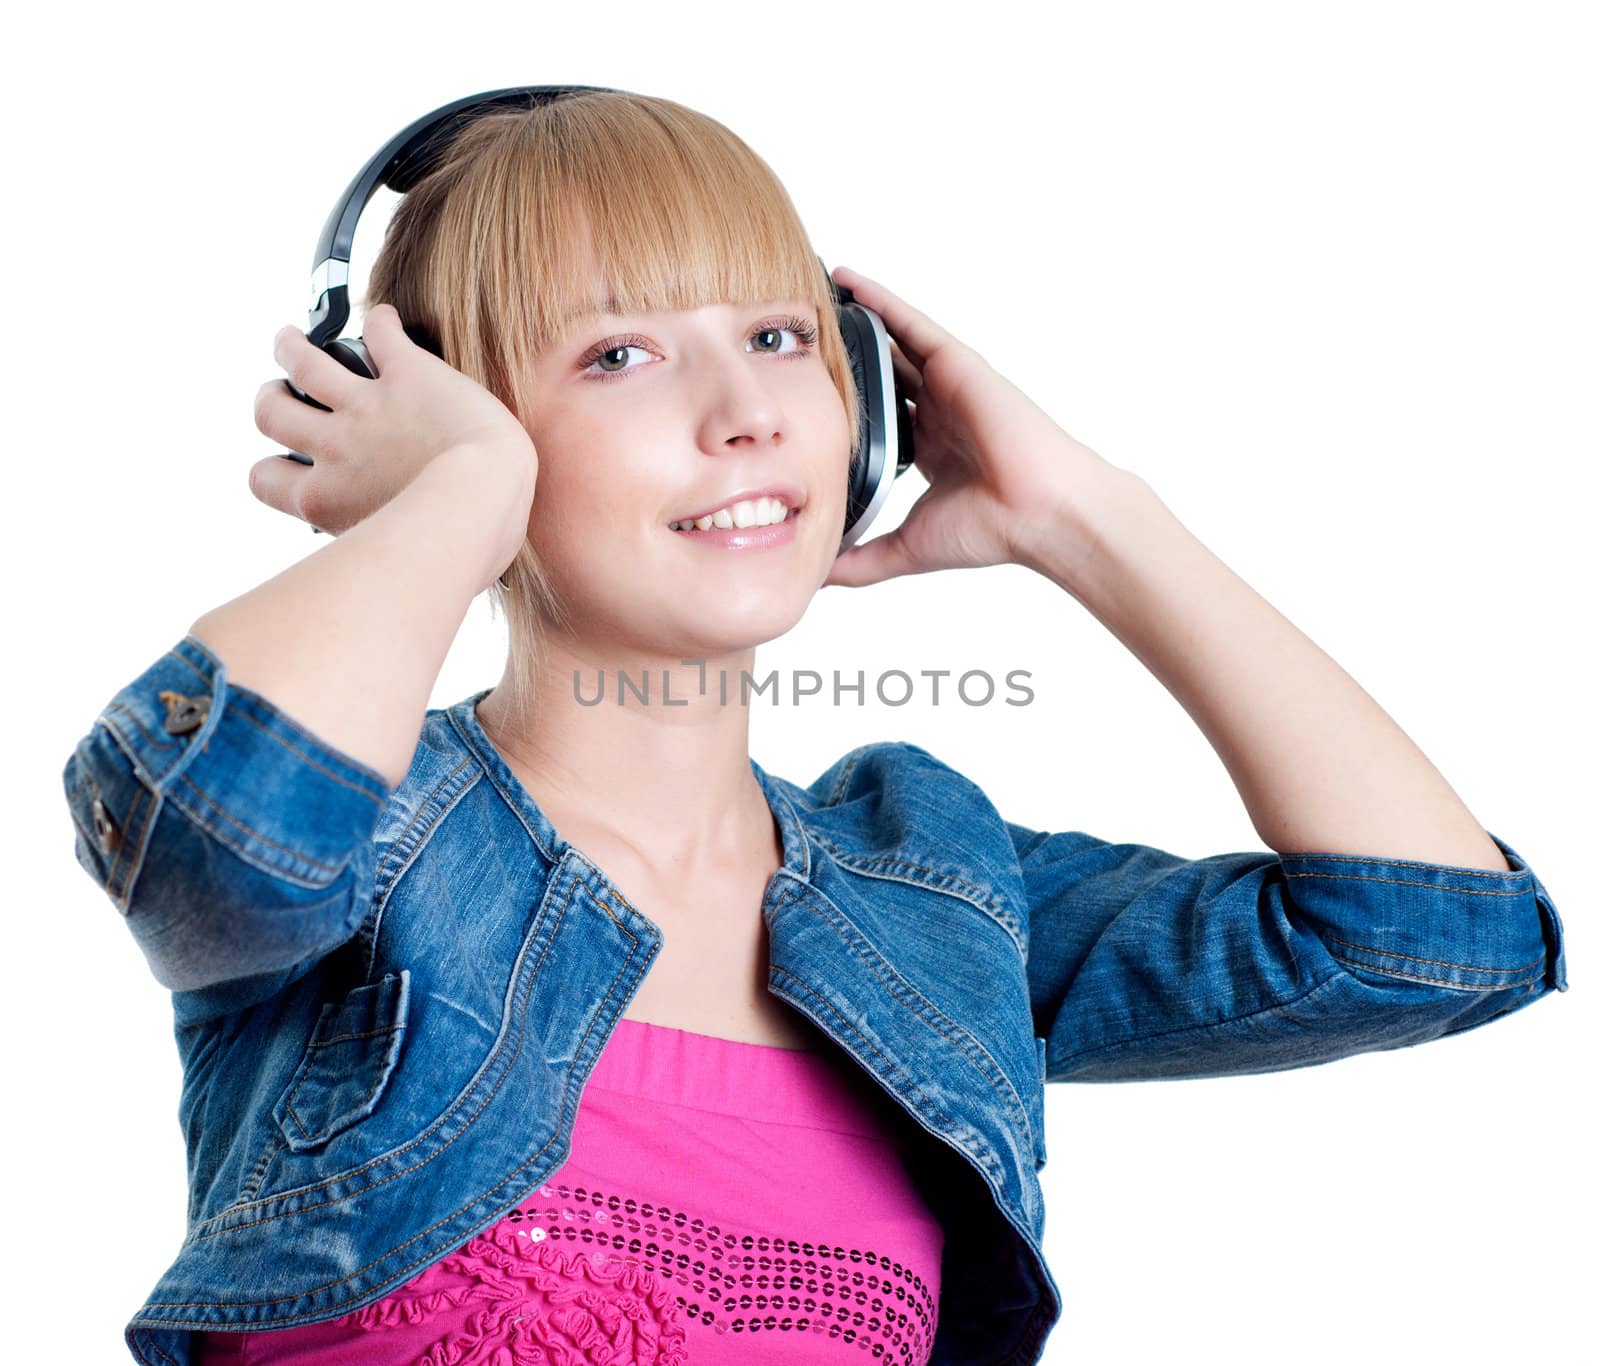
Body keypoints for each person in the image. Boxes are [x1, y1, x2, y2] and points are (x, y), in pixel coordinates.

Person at [61, 89, 1567, 1366]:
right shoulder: (368, 836)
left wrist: (1095, 520)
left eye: (783, 338)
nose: (748, 413)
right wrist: (451, 501)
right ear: (441, 411)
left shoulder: (933, 889)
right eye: (618, 355)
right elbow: (206, 822)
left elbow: (1436, 934)